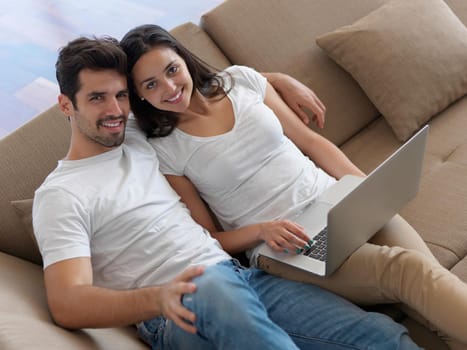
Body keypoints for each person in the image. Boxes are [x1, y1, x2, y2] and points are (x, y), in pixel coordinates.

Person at [31, 36, 420, 350]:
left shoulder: (138, 137)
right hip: (179, 306)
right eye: (96, 98)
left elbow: (192, 89)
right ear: (66, 104)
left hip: (241, 278)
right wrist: (158, 298)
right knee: (212, 287)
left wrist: (273, 80)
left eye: (121, 96)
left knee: (382, 337)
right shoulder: (62, 195)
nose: (114, 109)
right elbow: (68, 303)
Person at [120, 23, 467, 346]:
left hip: (340, 200)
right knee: (409, 270)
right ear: (138, 97)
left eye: (171, 69)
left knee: (430, 288)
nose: (169, 87)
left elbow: (311, 143)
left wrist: (366, 186)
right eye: (150, 84)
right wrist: (261, 231)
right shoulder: (164, 149)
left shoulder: (241, 81)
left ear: (183, 58)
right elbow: (209, 236)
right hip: (289, 247)